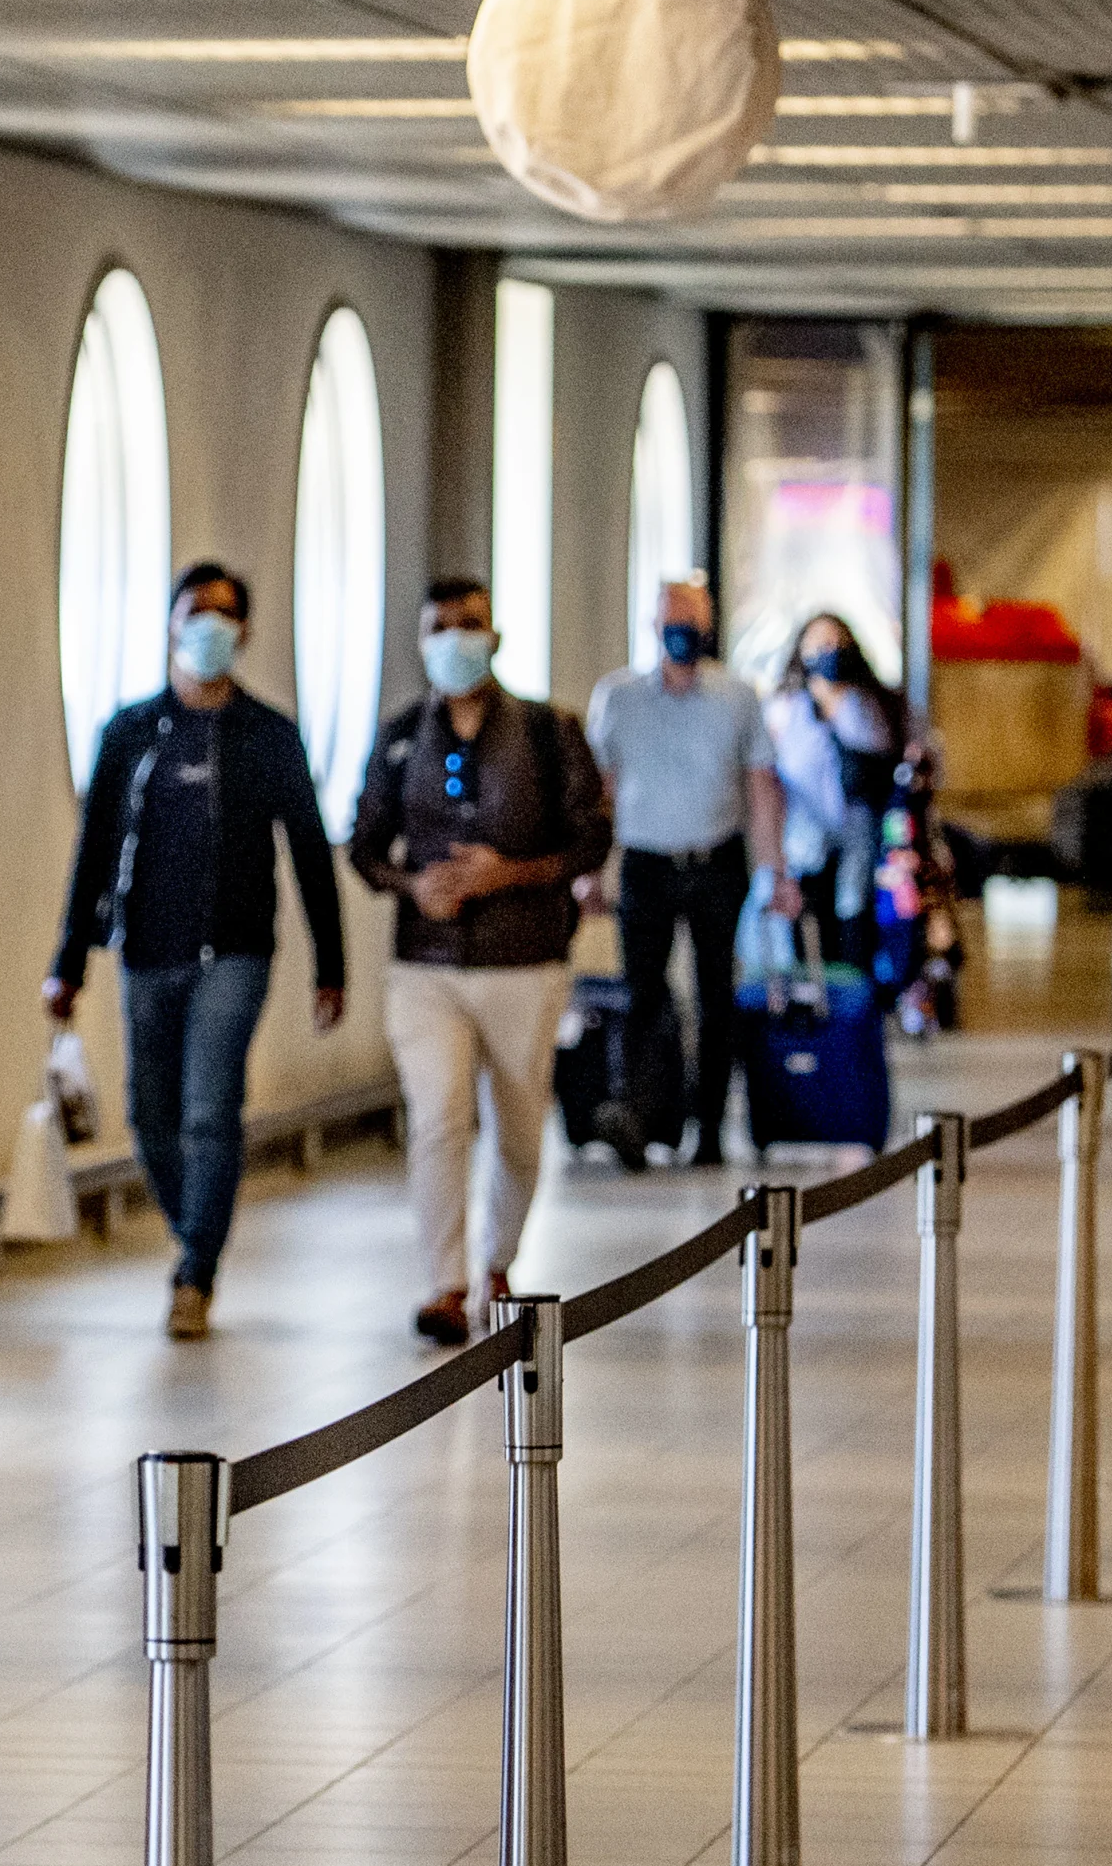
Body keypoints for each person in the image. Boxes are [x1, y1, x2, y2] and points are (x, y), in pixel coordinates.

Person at [45, 561, 349, 1338]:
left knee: (211, 1108)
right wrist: (68, 962)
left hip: (236, 952)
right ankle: (195, 1231)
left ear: (244, 631)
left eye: (225, 614)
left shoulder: (268, 736)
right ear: (173, 623)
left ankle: (195, 1269)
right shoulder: (131, 733)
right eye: (196, 611)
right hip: (146, 948)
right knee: (150, 1114)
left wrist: (331, 966)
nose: (209, 625)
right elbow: (95, 848)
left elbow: (310, 849)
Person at [347, 578, 612, 1345]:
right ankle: (446, 1283)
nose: (457, 638)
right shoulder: (401, 737)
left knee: (521, 1125)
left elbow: (590, 838)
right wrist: (413, 884)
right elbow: (365, 845)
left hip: (523, 960)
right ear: (421, 638)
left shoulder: (544, 731)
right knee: (437, 1119)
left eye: (472, 624)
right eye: (441, 626)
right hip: (426, 963)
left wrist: (511, 872)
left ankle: (500, 1257)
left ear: (496, 637)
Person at [583, 576, 791, 1167]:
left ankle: (709, 1129)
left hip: (717, 859)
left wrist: (776, 870)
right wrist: (593, 871)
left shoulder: (737, 698)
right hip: (647, 862)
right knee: (644, 994)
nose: (683, 633)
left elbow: (761, 789)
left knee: (715, 996)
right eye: (673, 621)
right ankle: (645, 1118)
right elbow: (604, 790)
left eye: (693, 623)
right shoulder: (618, 698)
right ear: (653, 626)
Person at [763, 614, 951, 1030]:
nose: (829, 653)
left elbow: (893, 756)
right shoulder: (785, 709)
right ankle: (810, 1004)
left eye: (837, 643)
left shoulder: (873, 705)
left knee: (854, 907)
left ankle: (856, 1007)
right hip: (804, 834)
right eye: (818, 644)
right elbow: (772, 775)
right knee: (806, 913)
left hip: (862, 830)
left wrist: (843, 700)